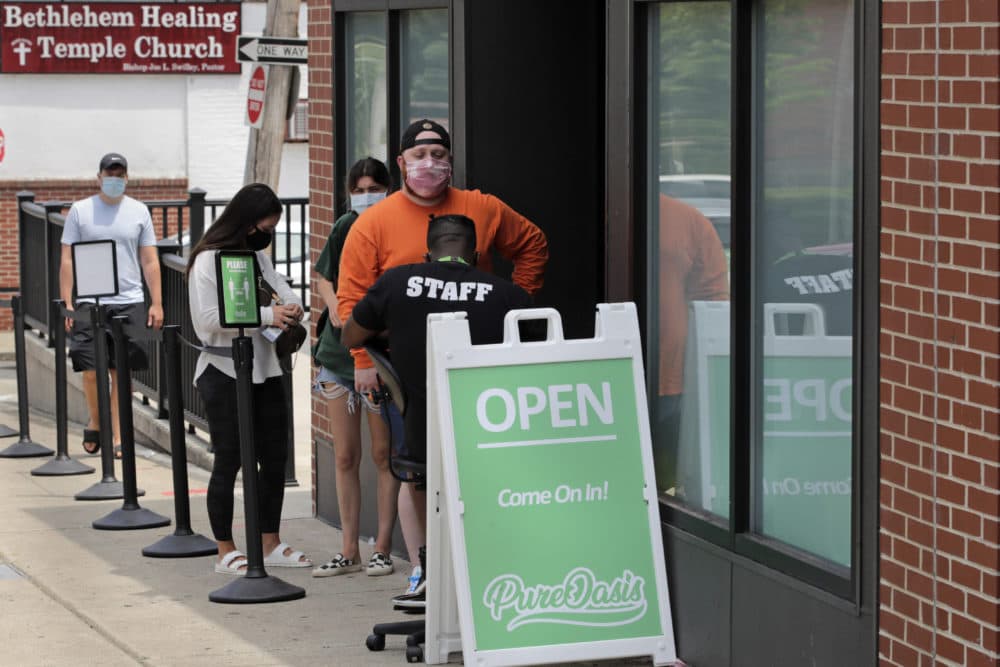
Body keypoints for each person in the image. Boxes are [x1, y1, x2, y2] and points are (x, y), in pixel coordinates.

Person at [337, 119, 548, 589]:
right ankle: (423, 570)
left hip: (480, 370)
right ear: (402, 163)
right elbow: (352, 303)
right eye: (418, 156)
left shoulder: (482, 208)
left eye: (438, 154)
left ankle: (485, 568)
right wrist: (365, 365)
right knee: (415, 471)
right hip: (404, 370)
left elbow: (532, 244)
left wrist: (515, 302)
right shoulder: (372, 223)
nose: (428, 164)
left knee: (481, 468)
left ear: (451, 160)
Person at [186, 183, 311, 575]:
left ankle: (269, 541)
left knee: (274, 458)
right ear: (246, 221)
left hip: (266, 367)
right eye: (264, 225)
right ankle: (225, 548)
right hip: (224, 369)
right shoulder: (208, 261)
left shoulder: (256, 258)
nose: (266, 233)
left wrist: (290, 306)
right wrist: (266, 316)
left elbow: (280, 289)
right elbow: (206, 320)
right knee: (231, 459)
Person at [311, 158, 397, 579]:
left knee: (384, 454)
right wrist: (336, 308)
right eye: (359, 187)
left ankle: (382, 546)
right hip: (337, 357)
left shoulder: (397, 223)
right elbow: (323, 276)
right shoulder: (347, 224)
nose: (367, 193)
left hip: (381, 356)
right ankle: (349, 549)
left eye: (374, 186)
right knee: (345, 456)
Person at [59, 152, 164, 459]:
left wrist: (156, 302)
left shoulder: (139, 211)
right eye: (109, 174)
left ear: (126, 178)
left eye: (120, 175)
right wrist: (68, 301)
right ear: (99, 177)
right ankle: (96, 419)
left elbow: (149, 259)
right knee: (89, 369)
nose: (114, 179)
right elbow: (67, 259)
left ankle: (117, 434)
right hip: (90, 301)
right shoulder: (80, 211)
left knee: (121, 372)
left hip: (129, 300)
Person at [654, 193, 729, 493]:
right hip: (599, 377)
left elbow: (714, 300)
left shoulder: (688, 220)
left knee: (665, 488)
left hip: (671, 380)